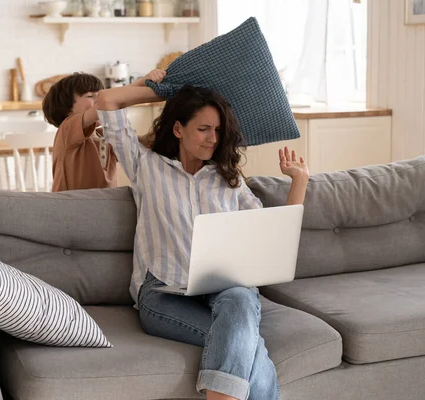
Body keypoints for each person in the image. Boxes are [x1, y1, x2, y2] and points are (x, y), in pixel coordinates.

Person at [96, 69, 309, 400]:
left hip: (225, 292)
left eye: (218, 130)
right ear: (178, 128)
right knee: (246, 343)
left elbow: (274, 235)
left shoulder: (229, 181)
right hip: (164, 294)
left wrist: (300, 182)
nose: (213, 138)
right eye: (204, 128)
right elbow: (107, 100)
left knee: (240, 300)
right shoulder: (145, 165)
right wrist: (165, 91)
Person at [42, 72, 117, 192]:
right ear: (68, 110)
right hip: (70, 206)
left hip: (103, 205)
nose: (100, 100)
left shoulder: (104, 135)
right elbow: (105, 105)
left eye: (100, 95)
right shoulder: (67, 129)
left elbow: (138, 143)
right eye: (90, 96)